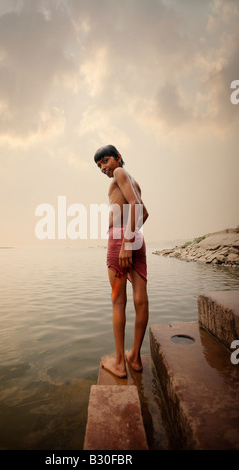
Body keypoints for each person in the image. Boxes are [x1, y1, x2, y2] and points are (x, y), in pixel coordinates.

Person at [94, 144, 149, 378]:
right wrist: (132, 236)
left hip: (120, 239)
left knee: (118, 301)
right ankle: (134, 357)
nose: (103, 168)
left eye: (105, 161)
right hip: (135, 237)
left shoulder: (119, 173)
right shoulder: (133, 182)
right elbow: (144, 213)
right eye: (99, 166)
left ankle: (119, 363)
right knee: (141, 301)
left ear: (118, 157)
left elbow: (137, 207)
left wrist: (125, 242)